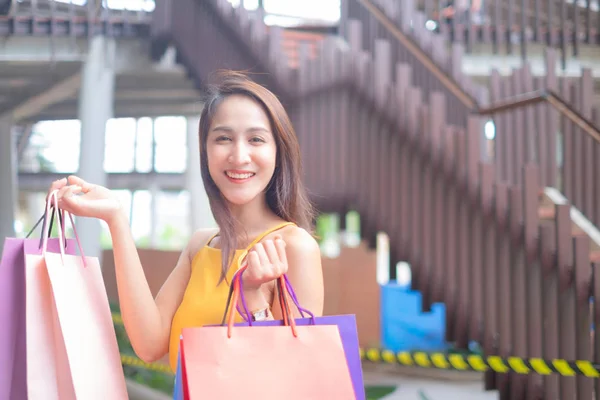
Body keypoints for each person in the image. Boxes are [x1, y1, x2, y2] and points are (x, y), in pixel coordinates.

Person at [47, 70, 324, 373]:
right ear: (205, 150)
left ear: (277, 152)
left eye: (256, 139)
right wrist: (116, 219)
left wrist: (253, 296)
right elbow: (149, 344)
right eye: (223, 138)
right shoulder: (200, 245)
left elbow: (293, 374)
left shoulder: (295, 247)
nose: (239, 155)